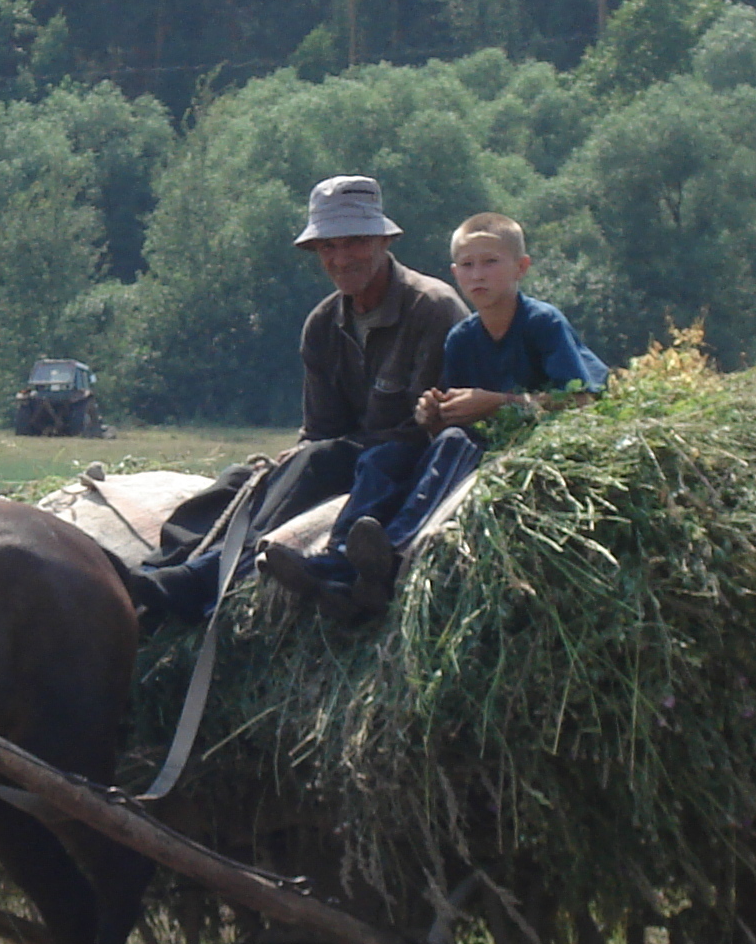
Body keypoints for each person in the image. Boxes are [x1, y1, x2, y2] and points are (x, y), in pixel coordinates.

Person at [126, 175, 464, 623]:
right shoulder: (323, 324)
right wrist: (296, 456)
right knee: (238, 481)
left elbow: (428, 426)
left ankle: (207, 578)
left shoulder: (431, 307)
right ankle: (158, 570)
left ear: (384, 240)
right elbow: (321, 426)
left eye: (355, 242)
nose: (341, 258)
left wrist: (320, 452)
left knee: (319, 461)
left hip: (404, 459)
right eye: (329, 247)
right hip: (342, 452)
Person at [265, 210, 605, 615]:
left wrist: (498, 402)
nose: (478, 275)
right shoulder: (462, 338)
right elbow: (449, 412)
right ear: (455, 274)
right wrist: (433, 412)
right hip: (465, 438)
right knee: (383, 457)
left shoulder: (543, 323)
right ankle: (337, 556)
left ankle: (392, 550)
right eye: (467, 265)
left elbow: (584, 400)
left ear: (521, 268)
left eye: (491, 263)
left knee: (456, 444)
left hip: (513, 444)